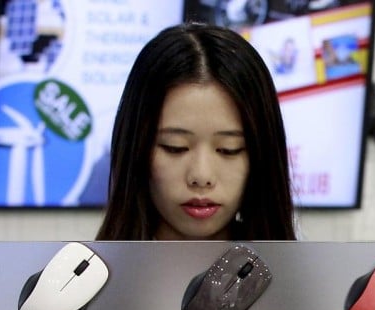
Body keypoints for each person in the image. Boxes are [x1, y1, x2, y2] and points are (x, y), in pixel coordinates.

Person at [96, 22, 297, 240]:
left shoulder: (299, 274)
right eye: (175, 147)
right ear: (136, 148)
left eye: (229, 150)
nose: (201, 176)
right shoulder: (93, 273)